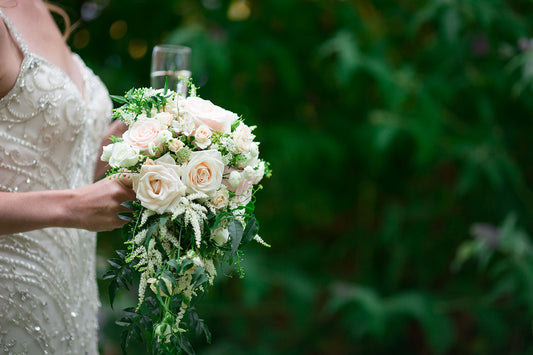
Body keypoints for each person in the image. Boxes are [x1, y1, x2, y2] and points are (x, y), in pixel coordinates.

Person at [0, 1, 135, 353]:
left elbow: (51, 168)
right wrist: (72, 207)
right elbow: (67, 200)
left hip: (70, 302)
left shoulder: (39, 8)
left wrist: (118, 146)